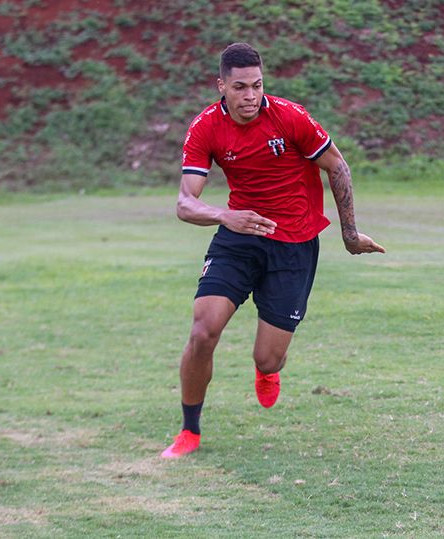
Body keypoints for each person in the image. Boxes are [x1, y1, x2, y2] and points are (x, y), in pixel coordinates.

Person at [160, 43, 385, 459]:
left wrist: (350, 234)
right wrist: (224, 217)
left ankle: (265, 373)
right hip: (240, 236)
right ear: (222, 86)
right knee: (203, 330)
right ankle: (189, 431)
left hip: (294, 244)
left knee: (268, 359)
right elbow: (184, 203)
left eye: (257, 86)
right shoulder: (206, 127)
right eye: (240, 87)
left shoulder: (290, 116)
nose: (250, 96)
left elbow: (337, 165)